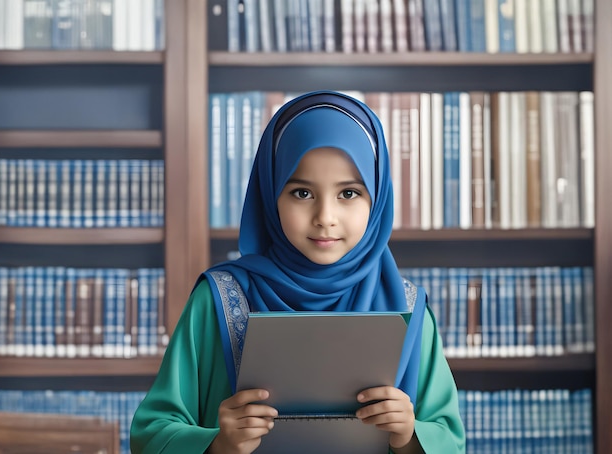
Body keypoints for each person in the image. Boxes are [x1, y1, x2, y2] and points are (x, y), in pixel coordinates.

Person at [130, 90, 466, 453]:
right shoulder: (217, 300)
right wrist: (216, 444)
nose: (325, 217)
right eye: (302, 193)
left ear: (378, 197)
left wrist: (409, 434)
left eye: (349, 194)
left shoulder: (409, 307)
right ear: (271, 195)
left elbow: (448, 438)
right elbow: (151, 435)